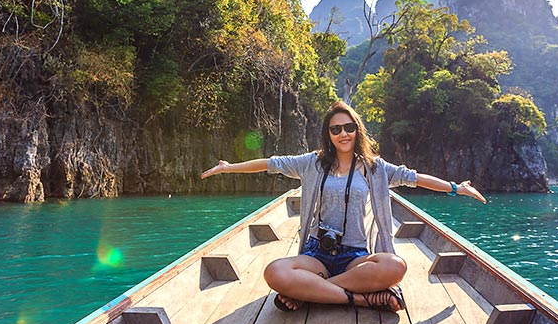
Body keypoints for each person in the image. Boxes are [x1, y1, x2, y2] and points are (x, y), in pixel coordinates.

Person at [201, 100, 486, 313]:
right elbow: (269, 163)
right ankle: (360, 298)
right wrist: (228, 168)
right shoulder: (312, 163)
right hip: (318, 254)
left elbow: (415, 178)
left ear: (356, 130)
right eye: (335, 129)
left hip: (354, 256)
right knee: (274, 272)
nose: (343, 134)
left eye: (349, 127)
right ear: (329, 133)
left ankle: (312, 292)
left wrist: (455, 188)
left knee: (394, 266)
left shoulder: (376, 169)